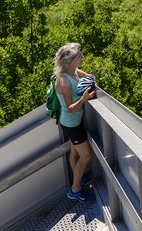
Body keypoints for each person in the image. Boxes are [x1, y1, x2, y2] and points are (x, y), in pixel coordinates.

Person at [53, 42, 97, 201]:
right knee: (86, 156)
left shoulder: (75, 72)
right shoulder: (63, 81)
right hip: (71, 123)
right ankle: (75, 189)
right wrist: (84, 99)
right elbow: (70, 108)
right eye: (79, 56)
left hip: (73, 122)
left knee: (75, 152)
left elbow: (90, 77)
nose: (82, 58)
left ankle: (80, 177)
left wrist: (91, 82)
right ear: (70, 60)